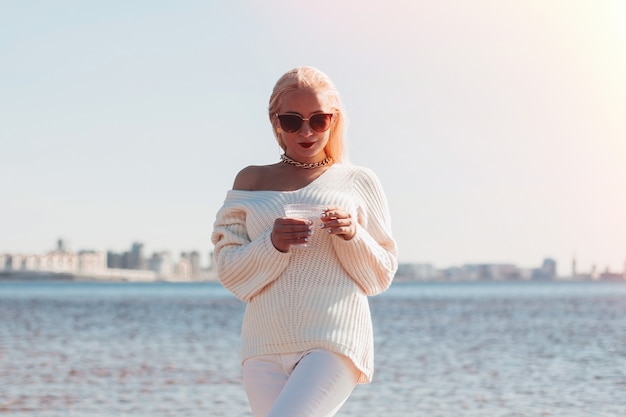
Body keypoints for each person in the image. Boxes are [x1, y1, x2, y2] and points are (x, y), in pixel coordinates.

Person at [211, 66, 398, 417]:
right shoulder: (250, 180)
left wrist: (352, 235)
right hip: (263, 344)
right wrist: (273, 243)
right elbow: (230, 274)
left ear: (334, 119)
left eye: (319, 119)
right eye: (293, 120)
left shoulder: (357, 181)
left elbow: (380, 276)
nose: (307, 131)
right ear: (276, 121)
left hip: (332, 339)